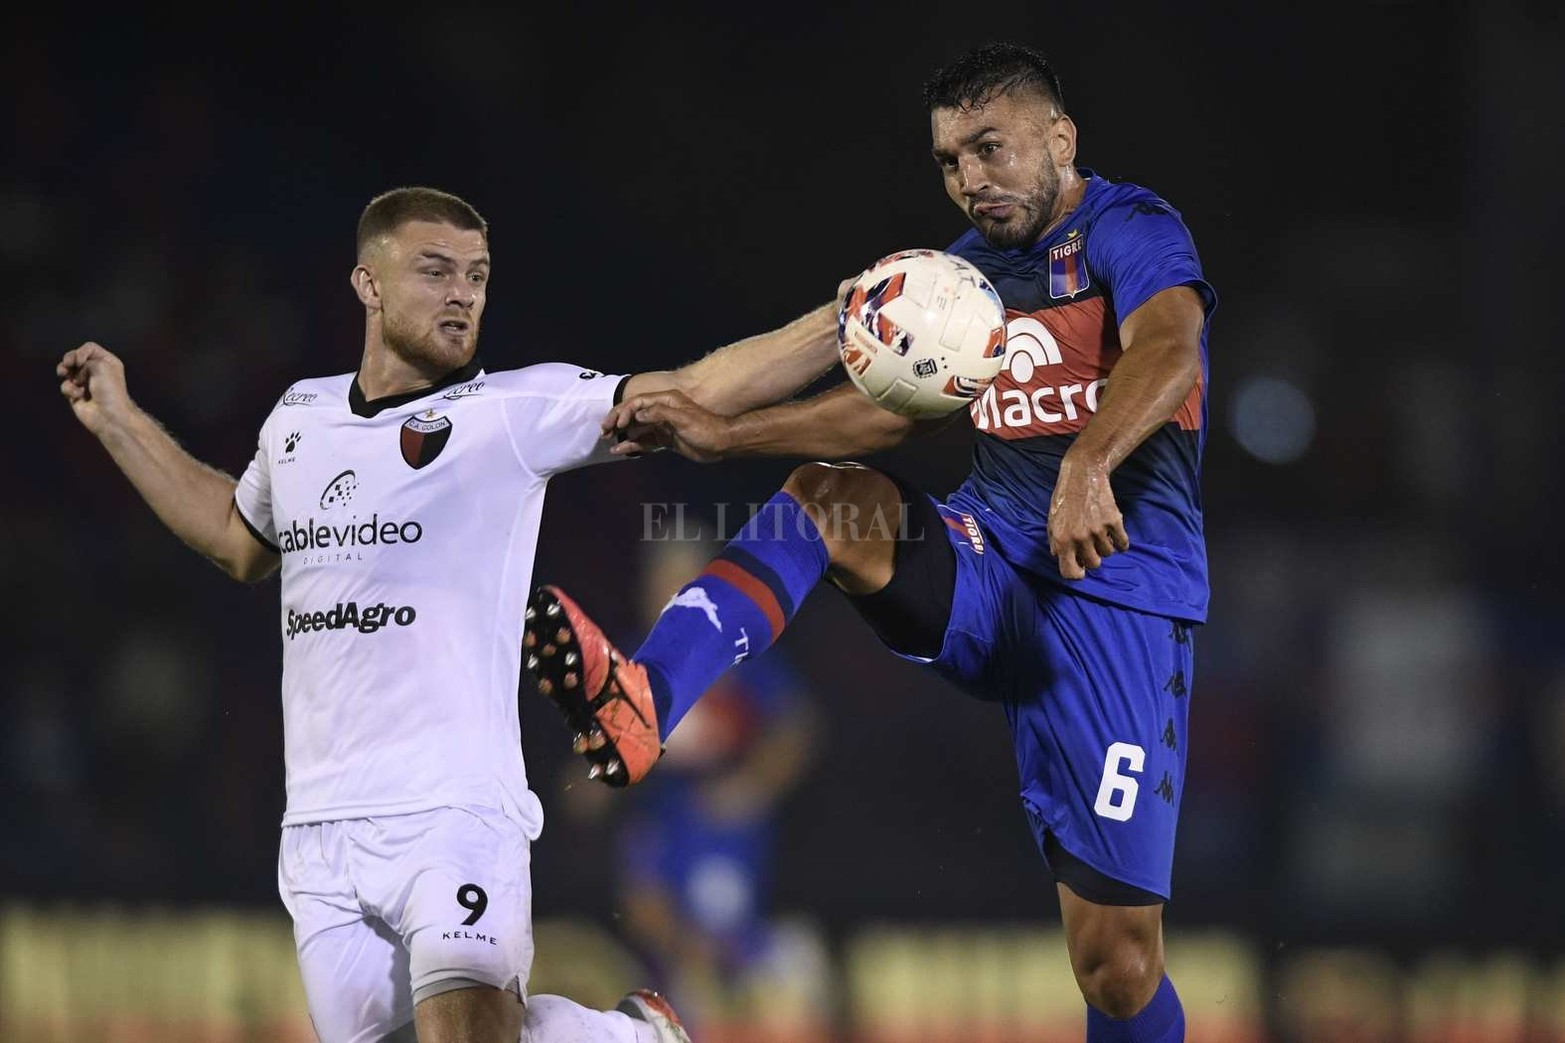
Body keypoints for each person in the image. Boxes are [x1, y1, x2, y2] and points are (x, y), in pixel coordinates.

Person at [525, 43, 1215, 1043]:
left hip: (1117, 607)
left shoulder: (1130, 226)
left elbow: (1166, 346)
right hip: (988, 567)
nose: (969, 178)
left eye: (989, 148)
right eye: (948, 160)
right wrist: (727, 433)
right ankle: (644, 700)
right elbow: (877, 417)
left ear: (1059, 139)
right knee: (824, 499)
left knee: (1114, 965)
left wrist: (1089, 459)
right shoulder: (959, 278)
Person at [54, 185, 848, 1043]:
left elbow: (694, 388)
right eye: (435, 271)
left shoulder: (507, 415)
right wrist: (120, 422)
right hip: (319, 828)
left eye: (476, 274)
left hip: (454, 812)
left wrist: (840, 322)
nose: (462, 292)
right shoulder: (300, 418)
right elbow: (238, 539)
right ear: (368, 283)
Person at [589, 536, 820, 1039]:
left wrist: (750, 786)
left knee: (785, 978)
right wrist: (605, 768)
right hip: (658, 836)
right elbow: (582, 788)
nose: (670, 595)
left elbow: (798, 728)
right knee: (678, 984)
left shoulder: (734, 649)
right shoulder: (628, 663)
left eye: (683, 583)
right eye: (661, 584)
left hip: (730, 847)